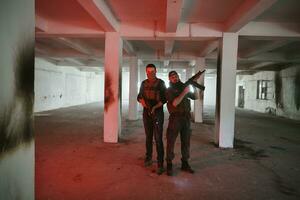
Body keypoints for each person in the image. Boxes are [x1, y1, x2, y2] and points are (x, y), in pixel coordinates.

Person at [165, 70, 202, 176]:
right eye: (172, 77)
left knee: (186, 142)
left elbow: (196, 97)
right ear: (169, 79)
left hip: (186, 118)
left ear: (178, 76)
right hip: (175, 118)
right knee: (171, 142)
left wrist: (193, 85)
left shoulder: (184, 86)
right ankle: (169, 164)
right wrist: (184, 92)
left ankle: (185, 163)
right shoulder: (169, 90)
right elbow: (175, 103)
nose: (174, 78)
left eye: (175, 76)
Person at [137, 64, 167, 175]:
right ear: (146, 72)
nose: (150, 73)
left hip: (157, 112)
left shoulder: (161, 83)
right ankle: (148, 158)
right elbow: (139, 96)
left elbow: (164, 99)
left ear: (156, 71)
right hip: (147, 112)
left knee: (158, 138)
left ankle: (160, 164)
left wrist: (154, 107)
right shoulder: (143, 83)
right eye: (148, 72)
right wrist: (144, 104)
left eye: (152, 71)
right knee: (148, 137)